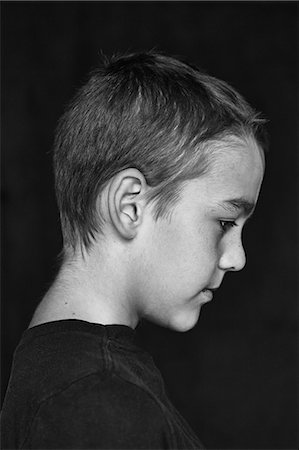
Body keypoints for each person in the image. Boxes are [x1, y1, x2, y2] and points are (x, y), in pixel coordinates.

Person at [1, 51, 267, 449]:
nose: (237, 258)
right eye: (226, 223)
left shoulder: (73, 379)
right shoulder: (95, 404)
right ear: (130, 206)